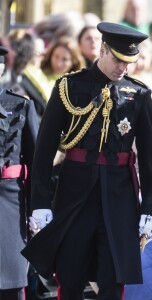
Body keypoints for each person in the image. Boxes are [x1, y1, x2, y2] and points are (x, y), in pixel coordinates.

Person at [21, 22, 152, 300]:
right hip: (75, 196)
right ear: (103, 49)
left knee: (112, 281)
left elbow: (147, 156)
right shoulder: (69, 87)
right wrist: (40, 203)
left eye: (129, 62)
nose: (123, 68)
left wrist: (149, 207)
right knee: (70, 278)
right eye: (118, 60)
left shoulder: (139, 94)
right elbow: (44, 152)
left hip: (119, 198)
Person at [0, 46, 38, 300]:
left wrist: (37, 210)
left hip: (9, 205)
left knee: (11, 285)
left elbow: (36, 164)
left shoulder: (21, 105)